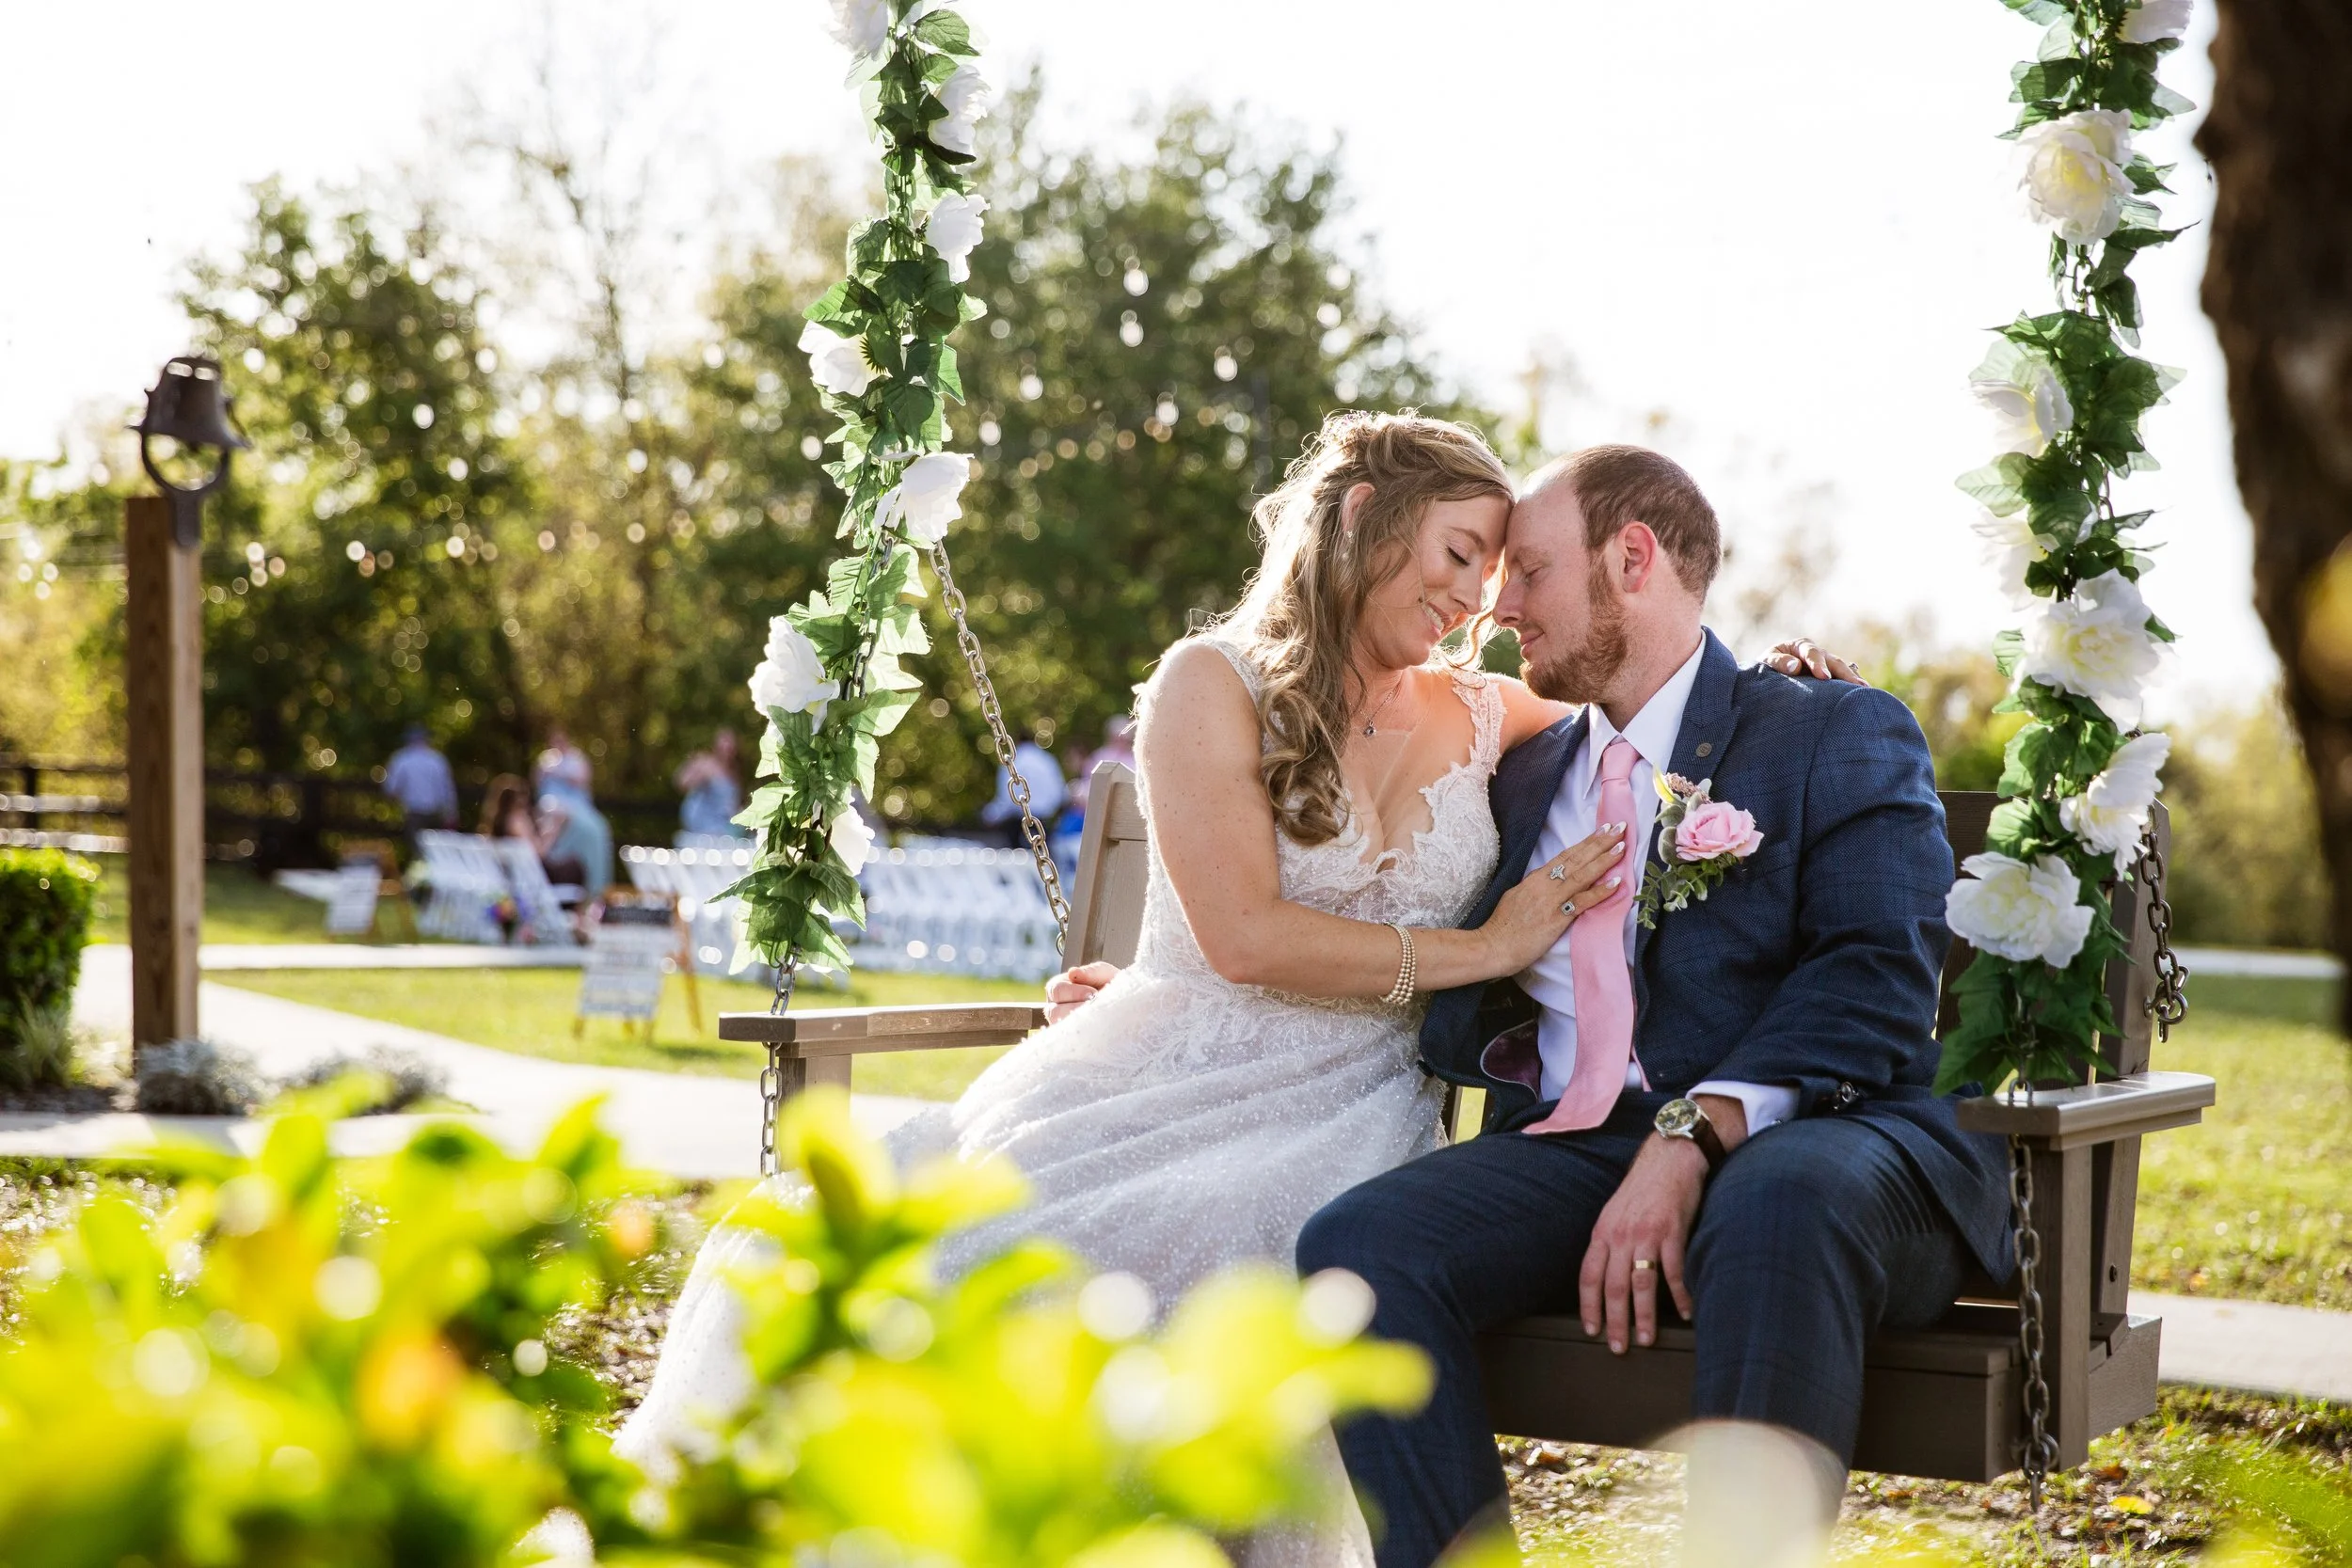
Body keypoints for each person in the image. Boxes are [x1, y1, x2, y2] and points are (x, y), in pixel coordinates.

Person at [614, 414, 1856, 1564]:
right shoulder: (1207, 683)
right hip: (1168, 1067)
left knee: (1273, 1246)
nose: (1474, 597)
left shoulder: (1485, 711)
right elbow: (1247, 938)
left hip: (1355, 1105)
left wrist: (1784, 682)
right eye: (1460, 551)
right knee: (982, 1262)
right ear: (1366, 512)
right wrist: (1487, 946)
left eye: (1491, 575)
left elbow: (1656, 691)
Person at [1292, 447, 2010, 1568]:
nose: (1501, 607)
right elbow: (1374, 883)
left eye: (1529, 571)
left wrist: (1694, 1129)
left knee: (1775, 1197)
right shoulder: (1523, 771)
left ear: (1632, 559)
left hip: (1819, 1136)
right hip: (1582, 1148)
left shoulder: (1828, 726)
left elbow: (1878, 973)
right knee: (1357, 1244)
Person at [977, 734, 1068, 848]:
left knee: (1016, 855)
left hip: (1018, 822)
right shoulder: (1047, 760)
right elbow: (1059, 792)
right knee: (1045, 853)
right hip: (1044, 821)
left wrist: (990, 815)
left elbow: (1006, 798)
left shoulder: (1013, 762)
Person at [382, 724, 457, 840]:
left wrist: (400, 802)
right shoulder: (437, 759)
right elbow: (447, 790)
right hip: (435, 813)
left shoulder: (401, 758)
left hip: (413, 812)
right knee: (433, 849)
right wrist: (451, 814)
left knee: (417, 848)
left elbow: (391, 789)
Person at [675, 728, 748, 841]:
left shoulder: (735, 771)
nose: (727, 749)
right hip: (703, 824)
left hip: (724, 825)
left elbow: (732, 804)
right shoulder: (706, 763)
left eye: (730, 745)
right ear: (716, 745)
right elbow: (681, 782)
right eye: (724, 744)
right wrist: (698, 777)